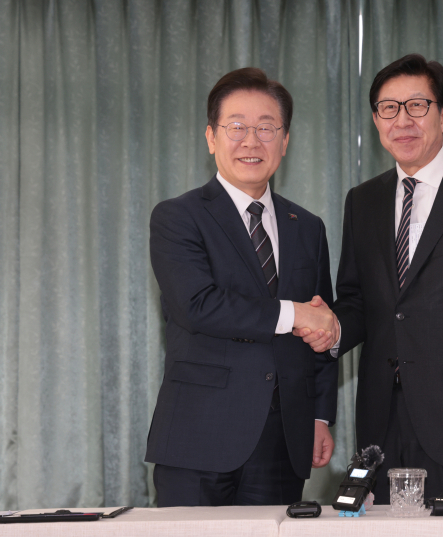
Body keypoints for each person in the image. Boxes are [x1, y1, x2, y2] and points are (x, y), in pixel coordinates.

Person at [299, 54, 443, 502]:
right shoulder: (362, 201)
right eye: (388, 108)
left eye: (417, 105)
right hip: (381, 419)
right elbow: (358, 300)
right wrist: (330, 328)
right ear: (376, 120)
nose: (402, 120)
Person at [145, 67, 339, 507]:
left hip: (283, 441)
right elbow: (198, 305)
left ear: (285, 141)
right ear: (211, 137)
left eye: (266, 128)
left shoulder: (308, 226)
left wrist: (320, 416)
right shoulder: (178, 217)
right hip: (198, 436)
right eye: (236, 127)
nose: (251, 141)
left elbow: (322, 323)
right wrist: (294, 313)